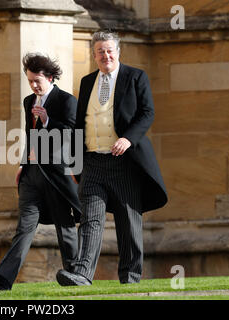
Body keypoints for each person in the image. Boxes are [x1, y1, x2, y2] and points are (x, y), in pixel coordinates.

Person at [56, 31, 168, 286]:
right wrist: (74, 161)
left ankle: (130, 277)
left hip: (125, 163)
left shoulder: (135, 76)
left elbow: (147, 113)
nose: (105, 55)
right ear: (93, 55)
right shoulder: (87, 82)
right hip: (93, 161)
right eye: (100, 51)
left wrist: (129, 139)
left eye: (109, 50)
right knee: (90, 219)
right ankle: (83, 274)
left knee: (128, 222)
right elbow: (79, 124)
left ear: (117, 52)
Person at [0, 53, 82, 290]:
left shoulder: (67, 101)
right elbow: (31, 137)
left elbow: (71, 135)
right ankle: (4, 280)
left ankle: (76, 276)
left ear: (50, 77)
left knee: (64, 228)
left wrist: (48, 122)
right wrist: (23, 165)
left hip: (57, 176)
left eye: (37, 80)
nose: (33, 85)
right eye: (30, 81)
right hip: (32, 176)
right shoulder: (29, 102)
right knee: (24, 227)